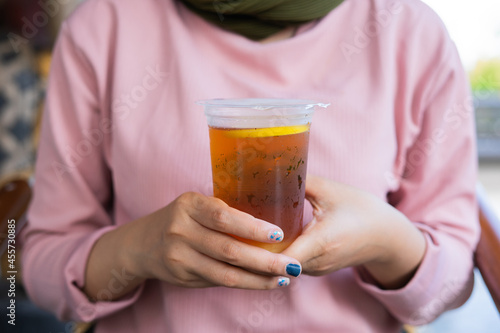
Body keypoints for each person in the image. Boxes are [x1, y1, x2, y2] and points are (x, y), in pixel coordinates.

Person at [21, 0, 479, 332]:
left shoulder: (411, 33)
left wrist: (385, 239)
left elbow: (452, 283)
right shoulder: (105, 25)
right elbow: (41, 265)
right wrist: (140, 249)